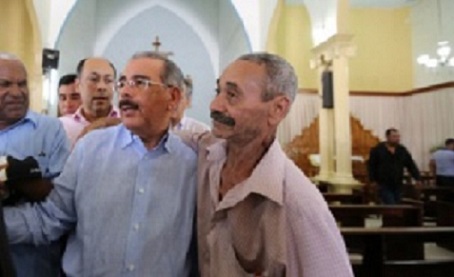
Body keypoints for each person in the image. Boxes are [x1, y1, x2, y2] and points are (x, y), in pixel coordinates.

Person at [4, 52, 198, 276]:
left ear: (173, 97)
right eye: (122, 82)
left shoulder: (191, 164)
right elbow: (50, 218)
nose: (124, 91)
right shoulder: (90, 148)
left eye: (140, 83)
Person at [183, 53, 352, 276]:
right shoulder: (207, 154)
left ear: (277, 109)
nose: (215, 105)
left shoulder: (297, 204)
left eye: (232, 95)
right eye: (218, 91)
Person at [0, 52, 70, 276]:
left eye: (22, 84)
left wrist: (21, 181)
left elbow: (61, 207)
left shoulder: (50, 131)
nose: (16, 92)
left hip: (31, 266)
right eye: (5, 84)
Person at [59, 57, 119, 146]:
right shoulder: (61, 128)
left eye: (108, 80)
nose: (101, 87)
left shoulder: (131, 124)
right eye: (94, 79)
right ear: (78, 85)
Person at [368, 128, 421, 204]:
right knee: (391, 204)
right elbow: (371, 166)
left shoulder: (402, 150)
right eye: (394, 136)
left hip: (398, 183)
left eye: (398, 136)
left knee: (397, 204)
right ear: (387, 137)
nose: (397, 139)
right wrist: (372, 180)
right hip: (383, 183)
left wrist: (417, 178)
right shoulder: (378, 149)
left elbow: (411, 164)